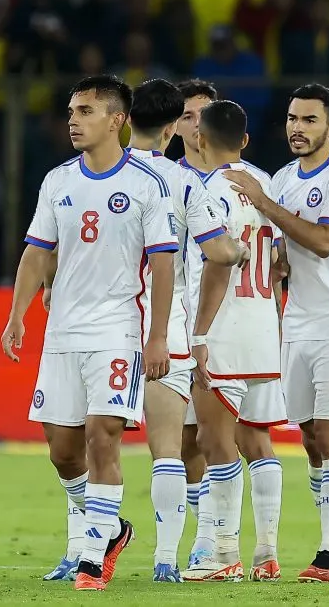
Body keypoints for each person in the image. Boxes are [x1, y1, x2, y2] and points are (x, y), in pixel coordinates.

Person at [0, 75, 178, 592]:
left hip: (117, 331)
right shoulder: (58, 181)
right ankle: (111, 527)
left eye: (84, 111)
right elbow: (37, 251)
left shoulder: (148, 184)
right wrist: (17, 315)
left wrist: (158, 336)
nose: (73, 121)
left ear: (116, 119)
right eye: (71, 112)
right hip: (63, 332)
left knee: (104, 436)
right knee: (62, 449)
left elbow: (163, 264)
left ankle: (93, 556)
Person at [226, 83, 329, 582]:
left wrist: (263, 204)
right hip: (295, 322)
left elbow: (327, 241)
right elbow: (289, 249)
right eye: (292, 118)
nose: (297, 128)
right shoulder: (285, 178)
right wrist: (274, 261)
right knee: (310, 437)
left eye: (310, 120)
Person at [125, 79, 247, 583]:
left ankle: (85, 549)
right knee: (171, 448)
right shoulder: (182, 183)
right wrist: (244, 250)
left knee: (95, 443)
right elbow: (221, 251)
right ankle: (166, 559)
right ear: (173, 127)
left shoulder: (91, 173)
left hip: (111, 328)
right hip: (169, 327)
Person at [182, 100, 286, 583]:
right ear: (244, 140)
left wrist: (199, 334)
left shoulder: (208, 190)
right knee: (258, 440)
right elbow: (282, 262)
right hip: (264, 325)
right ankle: (267, 553)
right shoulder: (265, 184)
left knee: (214, 441)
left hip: (224, 328)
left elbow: (218, 263)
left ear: (200, 138)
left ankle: (223, 554)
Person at [172, 78, 220, 568]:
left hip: (231, 325)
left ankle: (230, 541)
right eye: (186, 116)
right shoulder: (162, 180)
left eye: (204, 115)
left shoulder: (249, 180)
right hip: (177, 321)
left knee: (227, 438)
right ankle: (203, 537)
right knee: (187, 441)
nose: (196, 125)